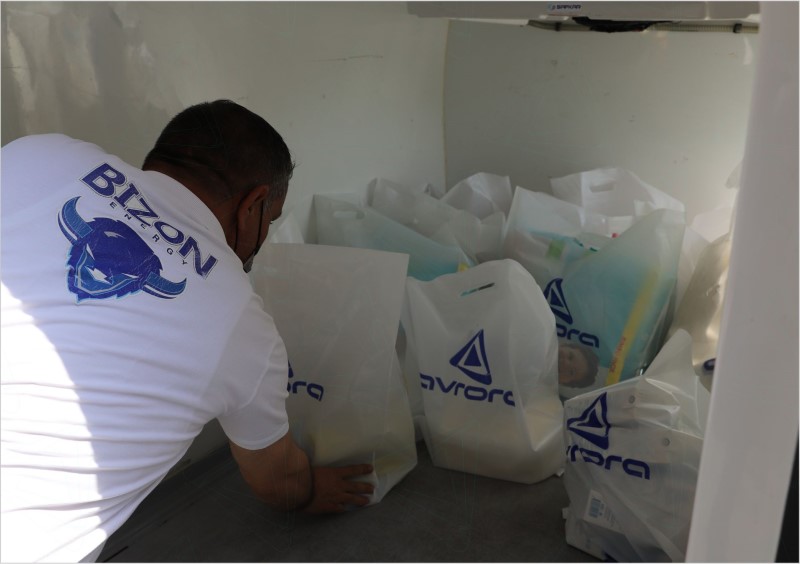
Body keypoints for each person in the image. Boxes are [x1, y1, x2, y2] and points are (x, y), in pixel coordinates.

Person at [0, 100, 374, 563]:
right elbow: (278, 481)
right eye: (270, 220)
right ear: (253, 205)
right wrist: (311, 490)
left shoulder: (39, 155)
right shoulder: (245, 327)